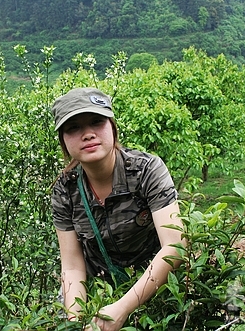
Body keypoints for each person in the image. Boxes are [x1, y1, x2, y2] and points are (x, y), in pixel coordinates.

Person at [51, 87, 184, 331]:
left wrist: (122, 308)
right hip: (98, 284)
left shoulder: (146, 171)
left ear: (112, 127)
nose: (88, 134)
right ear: (63, 140)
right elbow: (72, 266)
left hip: (152, 279)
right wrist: (76, 322)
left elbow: (174, 247)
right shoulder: (65, 190)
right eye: (74, 128)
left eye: (96, 122)